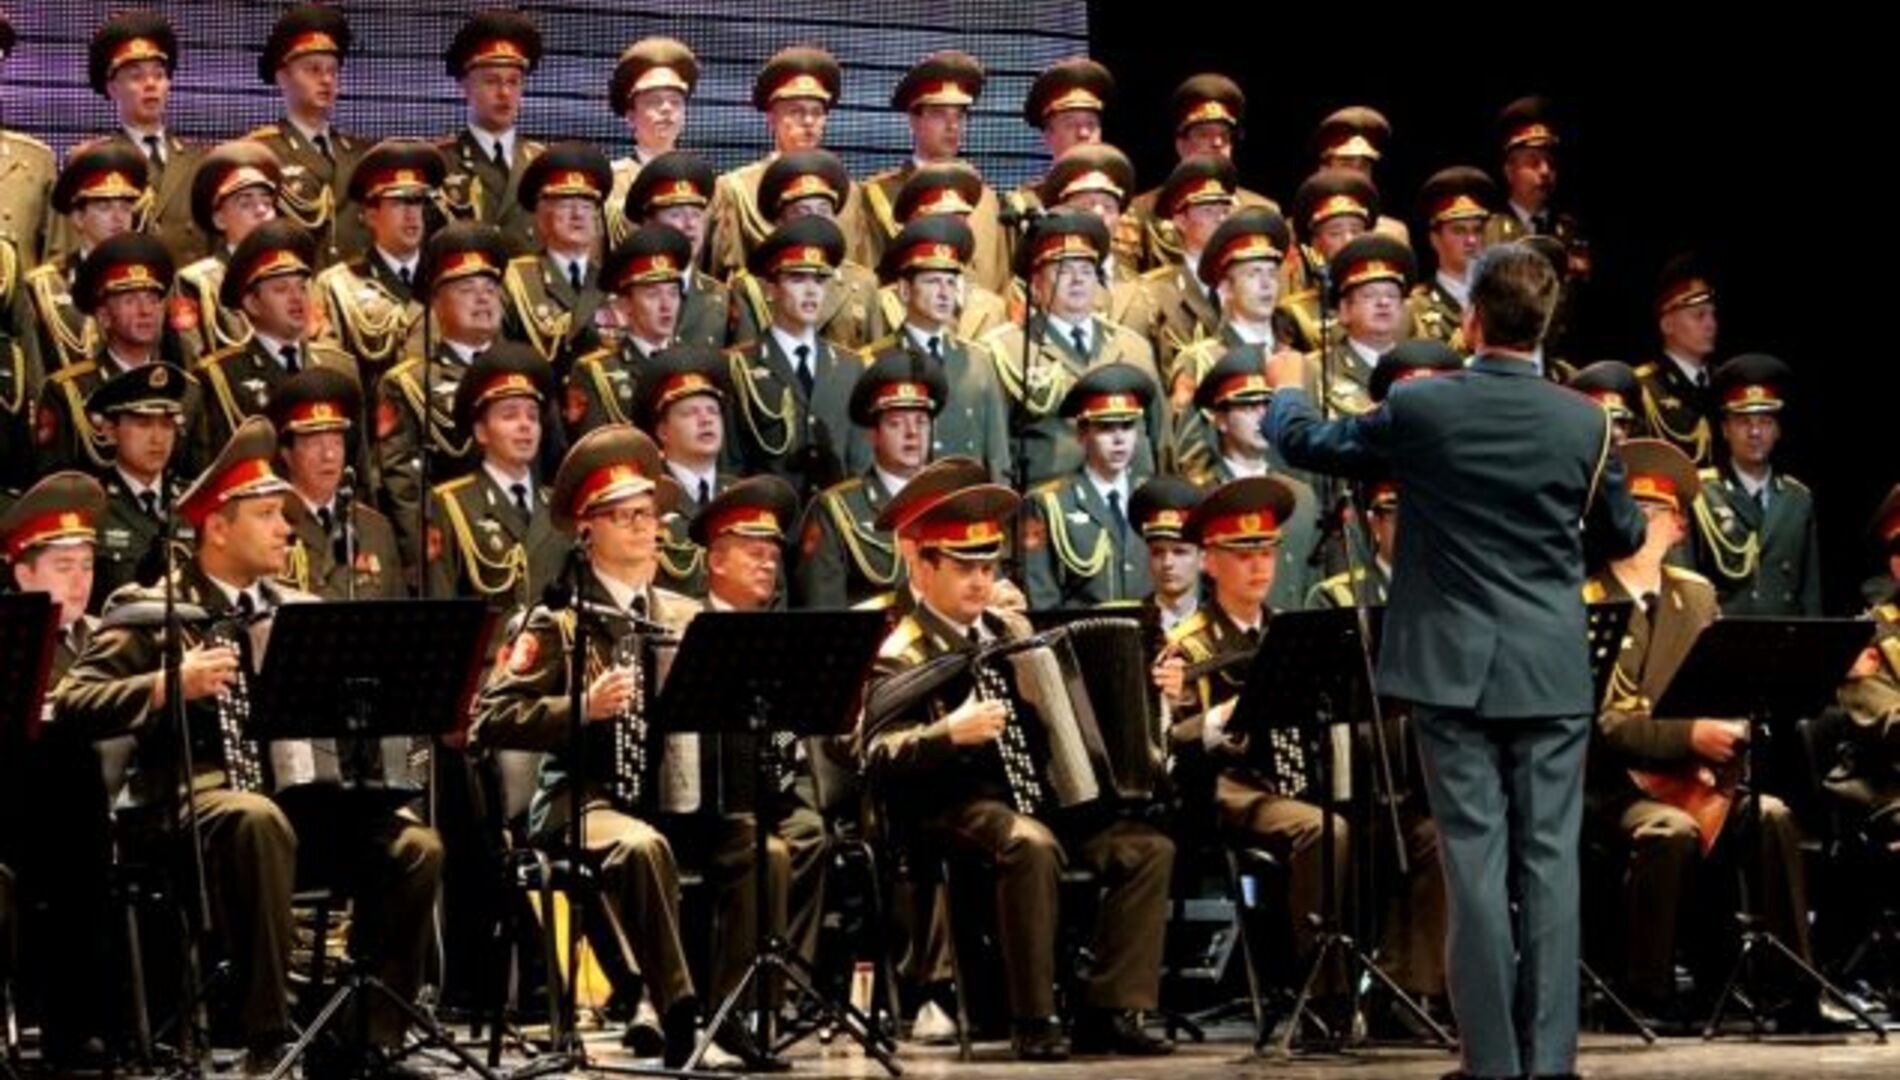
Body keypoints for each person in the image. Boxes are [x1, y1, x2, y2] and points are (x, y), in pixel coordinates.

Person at [1264, 242, 1646, 1080]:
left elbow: (1308, 443)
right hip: (1549, 667)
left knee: (1475, 863)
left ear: (1471, 319)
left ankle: (1492, 1064)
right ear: (1544, 322)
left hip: (1452, 669)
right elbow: (1624, 534)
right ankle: (1550, 1063)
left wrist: (1285, 382)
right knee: (1550, 868)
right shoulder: (1586, 421)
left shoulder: (1425, 407)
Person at [55, 417, 444, 1075]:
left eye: (284, 515)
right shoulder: (154, 609)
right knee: (257, 819)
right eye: (267, 515)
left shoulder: (297, 608)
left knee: (415, 848)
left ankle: (365, 1036)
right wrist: (169, 684)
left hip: (300, 807)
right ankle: (268, 1038)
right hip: (187, 805)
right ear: (217, 527)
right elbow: (74, 701)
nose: (287, 529)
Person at [863, 481, 1175, 1060]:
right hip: (950, 806)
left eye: (988, 567)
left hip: (1038, 797)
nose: (980, 580)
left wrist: (1151, 696)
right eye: (963, 567)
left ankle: (1109, 1009)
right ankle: (1032, 1015)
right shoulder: (901, 650)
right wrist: (947, 733)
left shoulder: (1012, 632)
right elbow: (875, 754)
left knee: (1145, 848)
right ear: (925, 568)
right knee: (1030, 844)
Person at [246, 4, 366, 264]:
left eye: (332, 71)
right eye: (313, 70)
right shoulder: (259, 154)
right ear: (283, 78)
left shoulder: (362, 155)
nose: (326, 80)